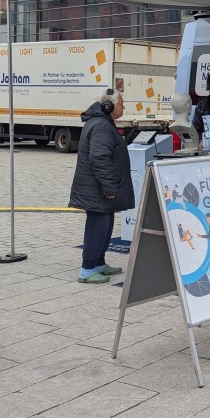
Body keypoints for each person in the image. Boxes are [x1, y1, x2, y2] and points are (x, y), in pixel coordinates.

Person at [69, 88, 135, 284]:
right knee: (97, 227)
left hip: (100, 189)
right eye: (121, 103)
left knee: (105, 226)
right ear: (109, 106)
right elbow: (99, 158)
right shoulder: (100, 126)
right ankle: (87, 270)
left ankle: (98, 263)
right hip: (98, 190)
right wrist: (109, 187)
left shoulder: (103, 122)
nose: (123, 107)